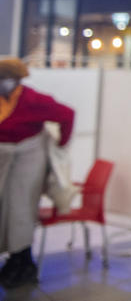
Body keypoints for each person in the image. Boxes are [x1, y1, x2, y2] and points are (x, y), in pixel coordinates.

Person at [0, 58, 75, 289]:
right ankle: (12, 259)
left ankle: (22, 261)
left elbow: (67, 114)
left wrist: (61, 145)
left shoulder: (33, 100)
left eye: (7, 78)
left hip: (29, 158)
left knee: (21, 208)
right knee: (3, 207)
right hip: (4, 159)